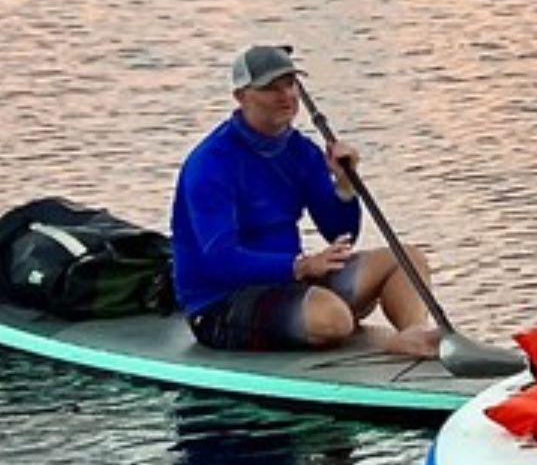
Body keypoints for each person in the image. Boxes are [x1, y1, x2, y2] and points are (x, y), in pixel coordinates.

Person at [170, 44, 442, 357]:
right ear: (241, 97)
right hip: (219, 303)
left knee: (406, 259)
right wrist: (299, 267)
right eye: (271, 88)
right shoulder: (210, 164)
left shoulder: (302, 151)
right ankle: (384, 343)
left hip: (287, 281)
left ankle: (415, 336)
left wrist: (344, 185)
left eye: (290, 84)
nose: (286, 96)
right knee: (334, 317)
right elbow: (220, 259)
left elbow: (341, 234)